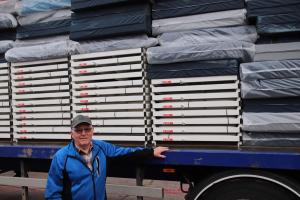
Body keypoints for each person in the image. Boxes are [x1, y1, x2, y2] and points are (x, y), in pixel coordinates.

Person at [45, 115, 169, 200]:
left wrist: (150, 152)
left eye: (87, 129)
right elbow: (52, 193)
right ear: (71, 133)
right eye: (78, 130)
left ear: (92, 131)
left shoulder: (102, 148)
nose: (83, 133)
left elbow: (126, 153)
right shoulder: (61, 157)